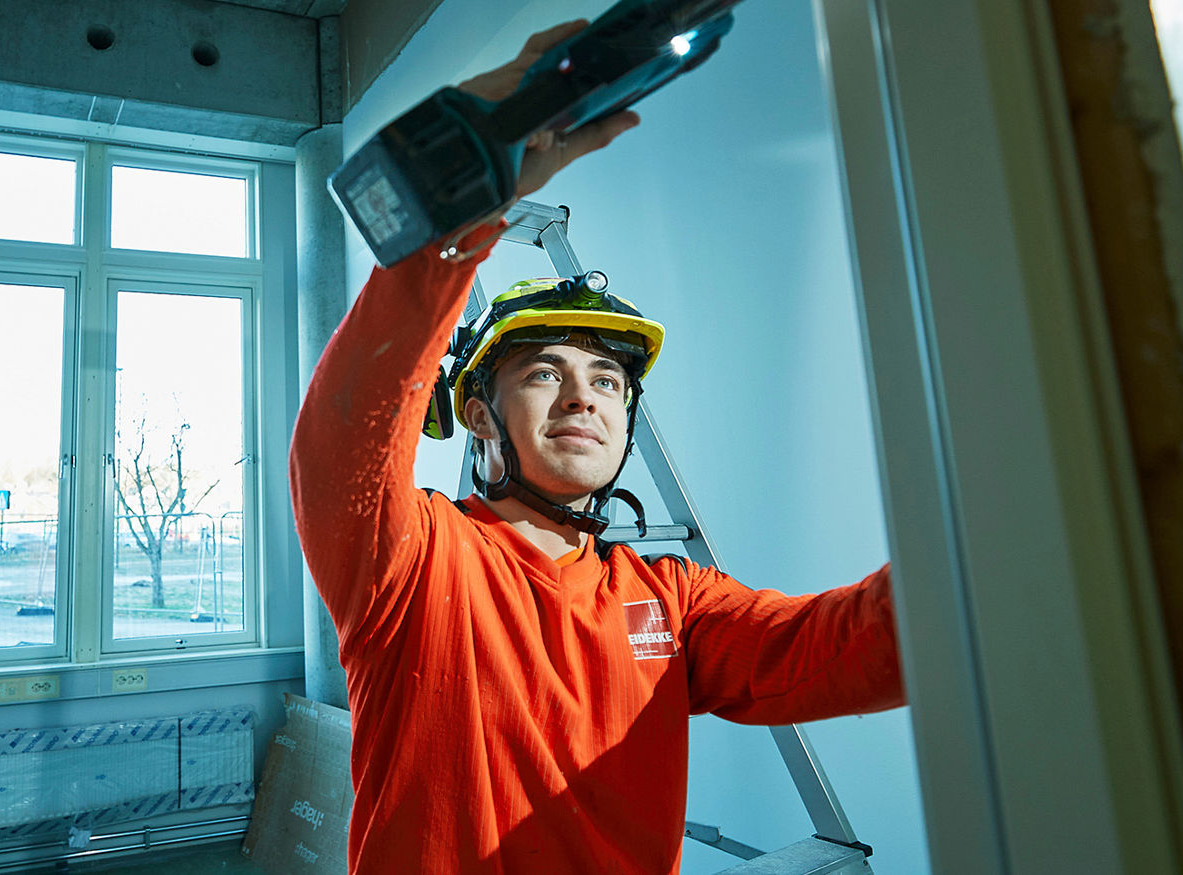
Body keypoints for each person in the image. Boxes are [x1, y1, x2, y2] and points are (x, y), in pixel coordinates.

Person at [290, 20, 906, 873]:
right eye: (544, 371)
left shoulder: (671, 597)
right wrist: (466, 183)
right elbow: (349, 432)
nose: (586, 393)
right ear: (476, 413)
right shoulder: (416, 562)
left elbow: (842, 646)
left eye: (609, 381)